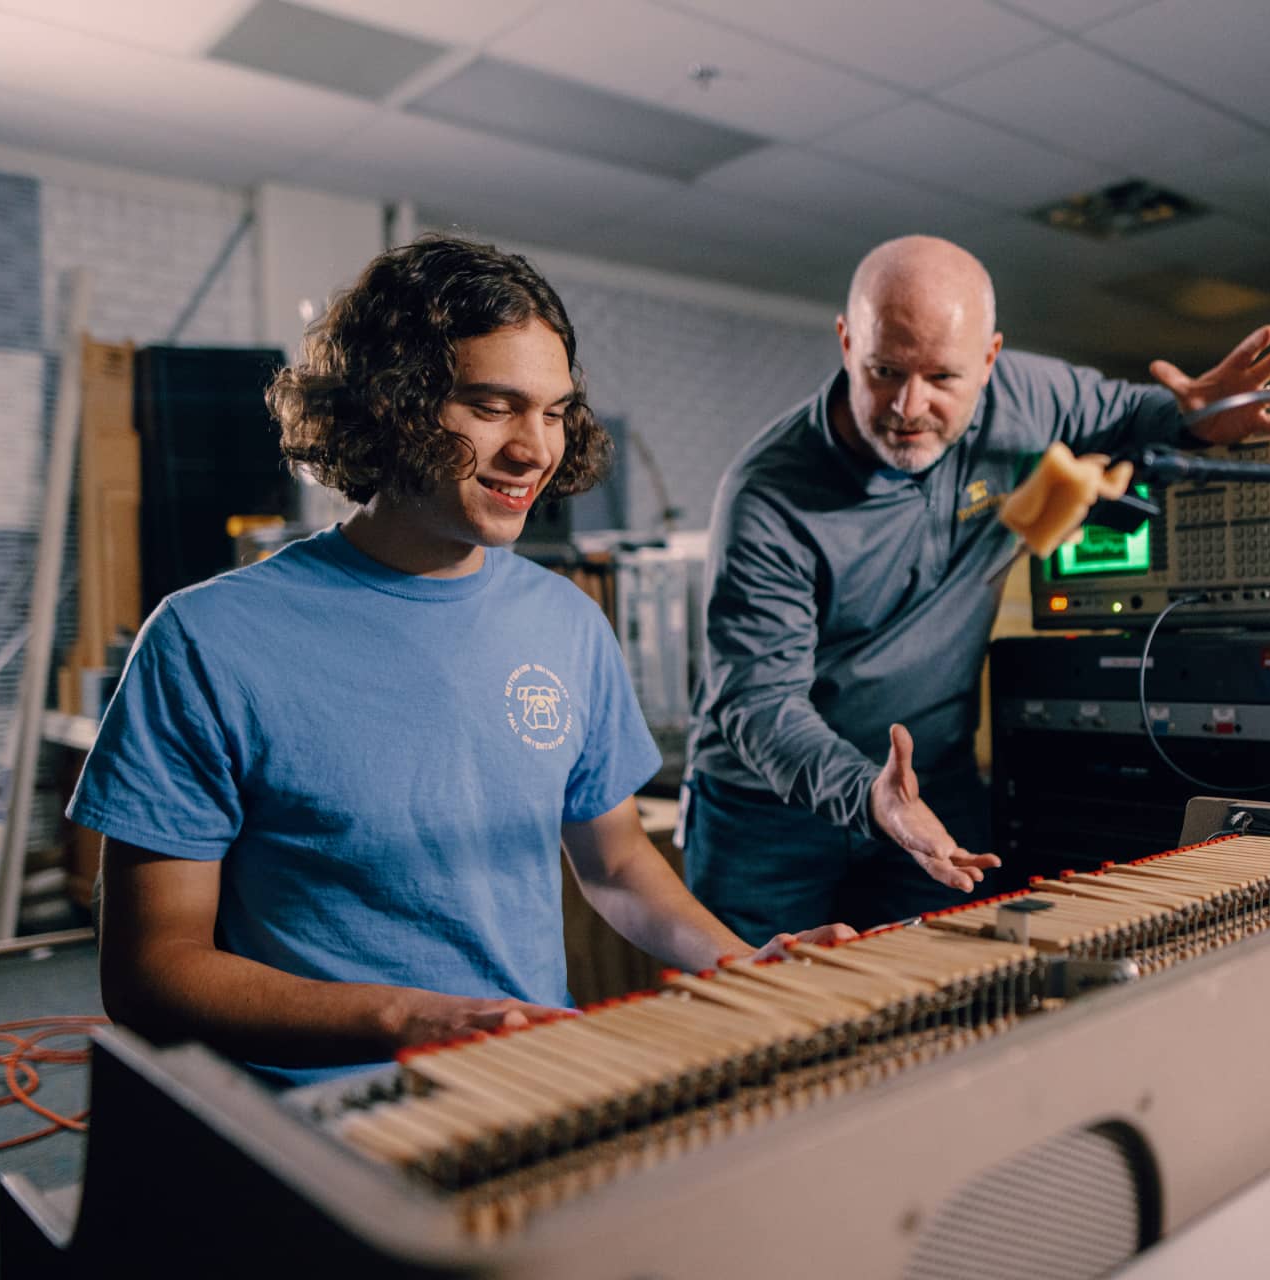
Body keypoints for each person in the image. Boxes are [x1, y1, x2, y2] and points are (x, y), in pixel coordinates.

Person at [72, 236, 850, 1087]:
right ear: (388, 405)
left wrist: (739, 961)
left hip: (529, 1086)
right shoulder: (204, 641)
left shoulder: (568, 623)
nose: (534, 449)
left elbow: (617, 863)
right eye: (492, 406)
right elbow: (152, 973)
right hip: (324, 1116)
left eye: (553, 412)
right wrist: (414, 1020)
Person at [683, 235, 1270, 944]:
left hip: (932, 780)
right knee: (767, 1029)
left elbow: (1134, 414)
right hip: (765, 810)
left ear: (989, 359)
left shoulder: (1028, 397)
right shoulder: (767, 492)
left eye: (942, 378)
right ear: (846, 340)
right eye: (884, 369)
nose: (907, 406)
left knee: (944, 1002)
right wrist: (869, 796)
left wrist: (1188, 419)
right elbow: (759, 701)